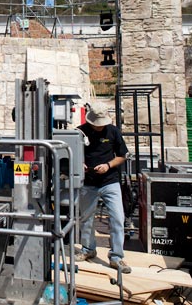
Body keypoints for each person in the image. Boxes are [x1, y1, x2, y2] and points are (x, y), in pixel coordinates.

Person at [75, 101, 131, 274]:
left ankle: (116, 257)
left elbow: (122, 156)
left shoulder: (113, 132)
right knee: (86, 219)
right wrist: (80, 163)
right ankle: (88, 249)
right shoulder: (79, 131)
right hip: (88, 183)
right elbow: (71, 152)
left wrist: (108, 165)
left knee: (117, 218)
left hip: (110, 181)